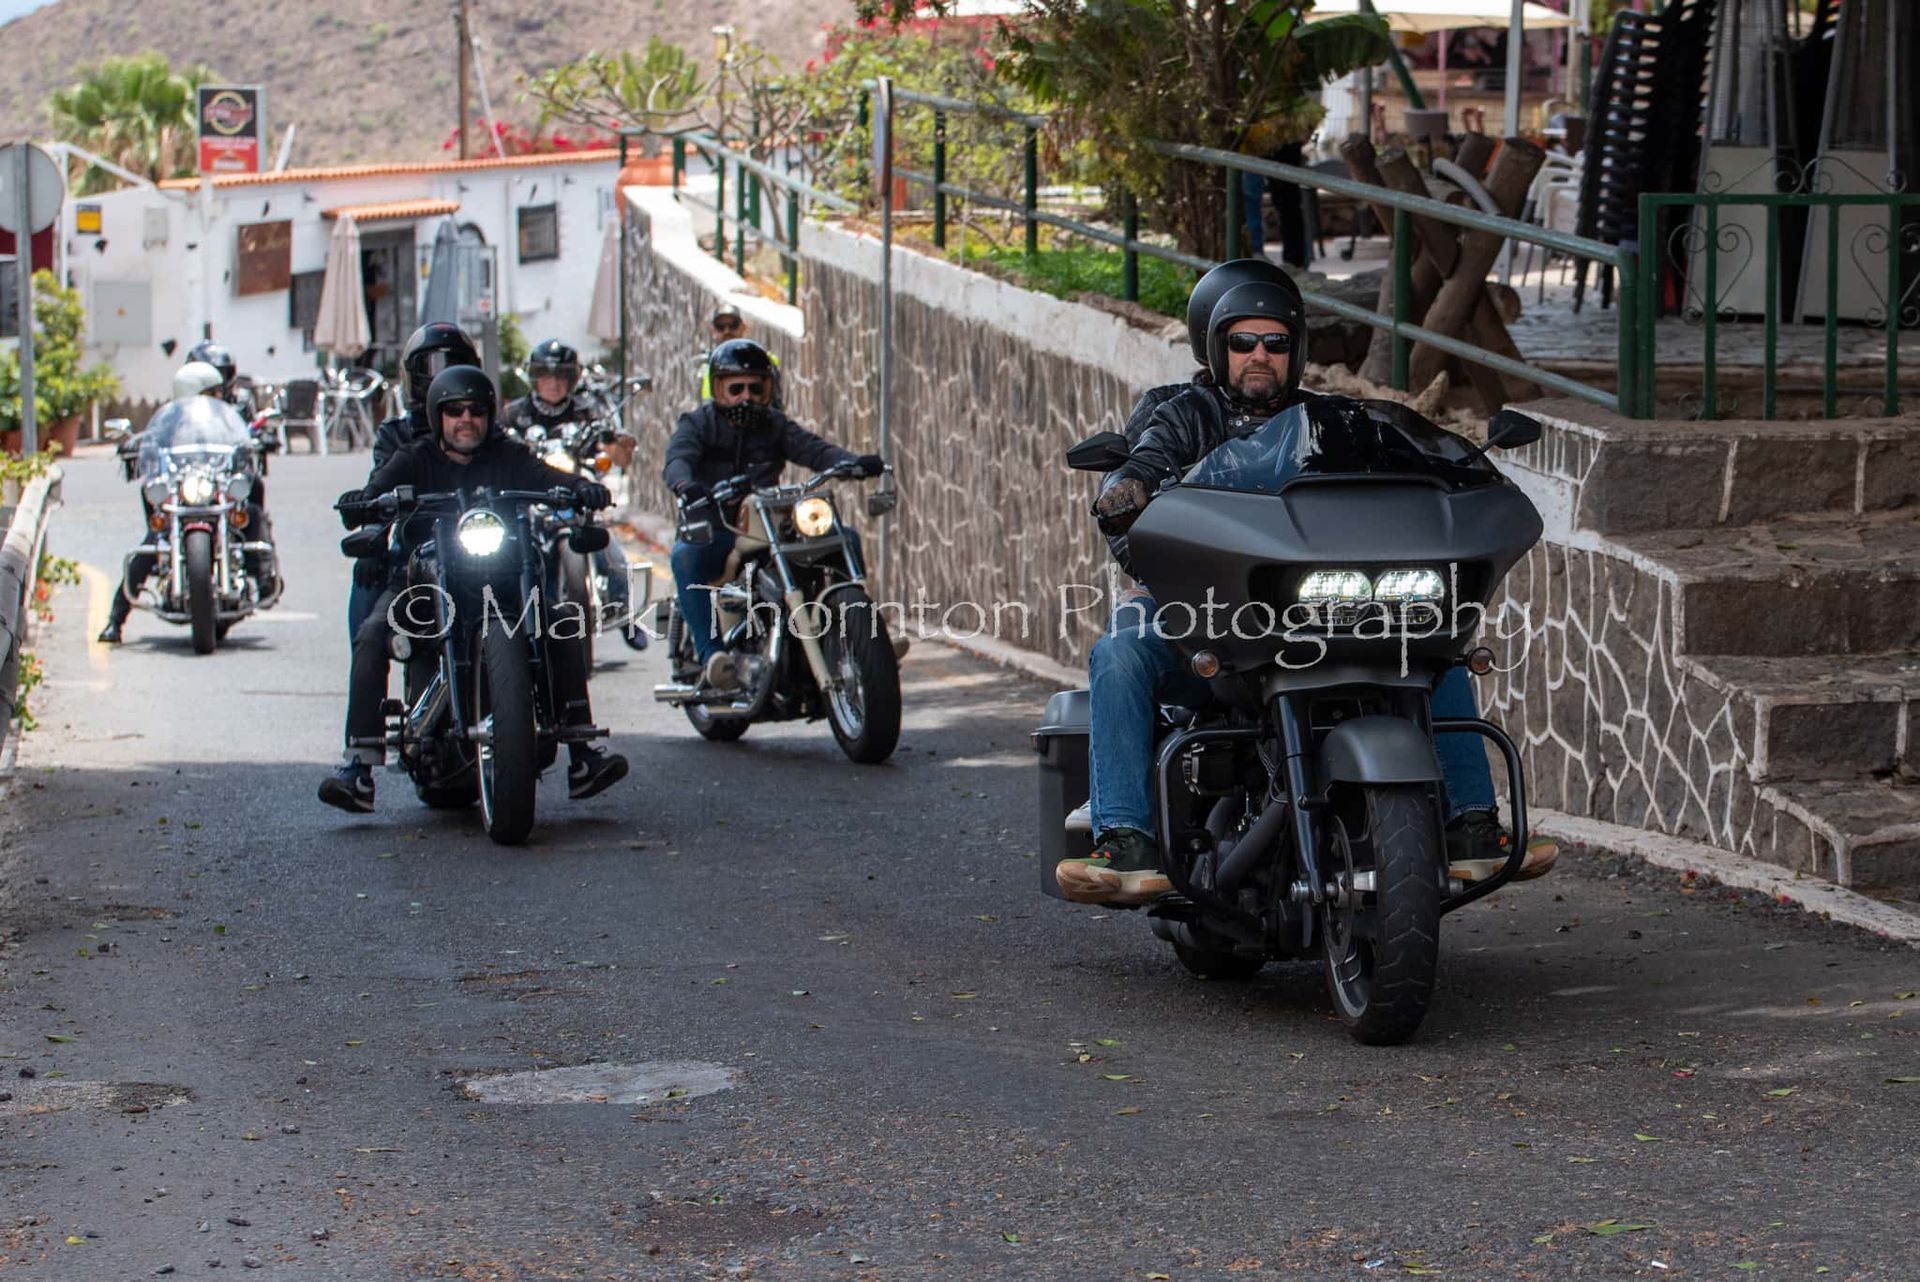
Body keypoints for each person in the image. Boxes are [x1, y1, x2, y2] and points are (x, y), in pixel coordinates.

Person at [1054, 260, 1505, 905]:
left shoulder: (1330, 424)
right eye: (1243, 342)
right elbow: (1145, 460)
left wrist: (1463, 478)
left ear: (1295, 350)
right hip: (1208, 613)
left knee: (1430, 642)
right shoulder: (1179, 415)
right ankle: (1124, 837)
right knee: (1121, 649)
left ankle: (1471, 823)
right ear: (1216, 347)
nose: (1260, 355)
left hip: (1315, 608)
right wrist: (1126, 488)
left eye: (1276, 342)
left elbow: (1393, 472)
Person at [318, 366, 628, 813]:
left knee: (560, 622)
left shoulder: (506, 455)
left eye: (476, 410)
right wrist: (364, 503)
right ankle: (359, 767)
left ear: (489, 415)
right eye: (455, 411)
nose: (466, 419)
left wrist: (582, 489)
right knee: (371, 634)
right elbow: (378, 491)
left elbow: (546, 476)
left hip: (501, 583)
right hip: (428, 584)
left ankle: (582, 755)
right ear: (438, 416)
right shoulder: (416, 457)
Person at [663, 338, 882, 690]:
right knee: (686, 557)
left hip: (768, 524)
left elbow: (815, 450)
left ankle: (859, 638)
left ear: (768, 389)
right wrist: (686, 485)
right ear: (718, 389)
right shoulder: (697, 424)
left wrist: (853, 463)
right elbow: (678, 460)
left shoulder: (775, 425)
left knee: (844, 537)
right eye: (736, 388)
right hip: (716, 523)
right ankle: (712, 656)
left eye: (755, 387)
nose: (745, 396)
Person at [98, 363, 279, 644]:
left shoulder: (225, 419)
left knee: (250, 515)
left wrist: (257, 441)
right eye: (214, 391)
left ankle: (264, 575)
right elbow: (152, 441)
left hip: (214, 487)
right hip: (184, 490)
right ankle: (115, 620)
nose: (220, 396)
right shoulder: (170, 421)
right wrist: (135, 444)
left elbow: (241, 437)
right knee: (151, 543)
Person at [346, 323, 485, 640]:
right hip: (417, 547)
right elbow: (377, 487)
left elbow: (525, 468)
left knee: (538, 570)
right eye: (432, 367)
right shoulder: (398, 435)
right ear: (413, 376)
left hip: (482, 543)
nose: (444, 377)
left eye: (454, 365)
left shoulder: (484, 427)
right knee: (368, 587)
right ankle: (366, 682)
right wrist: (371, 530)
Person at [696, 303, 782, 405]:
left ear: (743, 327)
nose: (727, 331)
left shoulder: (761, 361)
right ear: (713, 330)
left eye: (733, 325)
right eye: (720, 326)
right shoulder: (706, 364)